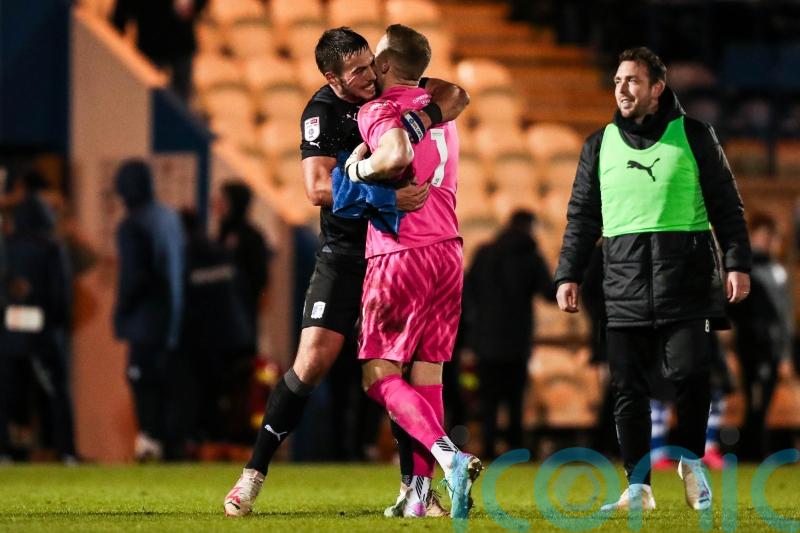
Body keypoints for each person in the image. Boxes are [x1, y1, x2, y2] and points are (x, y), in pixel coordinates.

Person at [223, 27, 469, 517]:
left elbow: (455, 94)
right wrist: (385, 196)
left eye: (368, 64)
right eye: (355, 71)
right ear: (331, 78)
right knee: (312, 363)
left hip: (396, 249)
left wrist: (419, 121)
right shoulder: (322, 114)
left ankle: (416, 491)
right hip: (345, 253)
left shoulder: (391, 93)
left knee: (400, 370)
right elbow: (317, 190)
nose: (367, 78)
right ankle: (252, 475)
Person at [554, 46, 751, 512]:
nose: (622, 89)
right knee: (627, 388)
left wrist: (738, 261)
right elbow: (582, 217)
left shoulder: (696, 136)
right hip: (621, 282)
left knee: (690, 375)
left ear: (657, 88)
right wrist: (569, 273)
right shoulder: (598, 144)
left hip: (687, 279)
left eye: (633, 81)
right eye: (618, 81)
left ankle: (689, 460)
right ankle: (638, 487)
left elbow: (727, 206)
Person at [346, 24, 481, 520]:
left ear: (383, 66)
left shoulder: (379, 110)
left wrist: (355, 170)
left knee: (378, 372)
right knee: (428, 374)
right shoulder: (442, 111)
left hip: (401, 251)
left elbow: (394, 155)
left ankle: (449, 456)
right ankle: (421, 499)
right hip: (448, 252)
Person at [463, 209, 556, 458]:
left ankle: (489, 449)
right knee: (515, 401)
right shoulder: (531, 257)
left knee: (489, 402)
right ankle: (516, 452)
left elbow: (467, 292)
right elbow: (549, 293)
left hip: (486, 340)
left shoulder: (485, 253)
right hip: (517, 341)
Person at [113, 159, 185, 461]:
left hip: (146, 320)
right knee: (166, 385)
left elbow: (136, 276)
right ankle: (169, 447)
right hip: (172, 318)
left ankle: (150, 443)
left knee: (142, 382)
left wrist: (121, 311)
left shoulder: (133, 225)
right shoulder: (168, 217)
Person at [0, 196, 76, 463]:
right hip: (46, 332)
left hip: (11, 331)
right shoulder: (52, 248)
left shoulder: (7, 247)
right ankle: (65, 450)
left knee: (12, 394)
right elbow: (61, 296)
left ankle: (10, 451)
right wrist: (60, 323)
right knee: (56, 393)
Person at [728, 212, 795, 460]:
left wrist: (786, 353)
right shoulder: (745, 268)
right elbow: (733, 309)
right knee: (755, 400)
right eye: (765, 235)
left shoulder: (778, 270)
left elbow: (785, 315)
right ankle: (752, 451)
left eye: (773, 236)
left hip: (773, 346)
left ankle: (754, 450)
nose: (769, 241)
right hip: (751, 344)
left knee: (763, 401)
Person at [112, 0, 207, 102]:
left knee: (181, 100)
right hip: (150, 47)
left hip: (180, 44)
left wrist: (194, 6)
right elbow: (121, 14)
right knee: (146, 98)